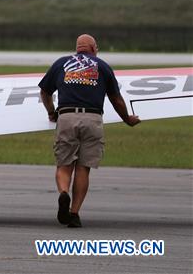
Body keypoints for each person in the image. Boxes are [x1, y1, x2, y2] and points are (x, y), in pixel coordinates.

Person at [39, 34, 140, 228]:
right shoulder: (102, 66)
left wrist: (51, 112)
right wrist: (127, 119)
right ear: (94, 48)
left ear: (77, 48)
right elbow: (116, 99)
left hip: (67, 116)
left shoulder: (61, 63)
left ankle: (63, 194)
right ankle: (74, 214)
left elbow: (45, 91)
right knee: (83, 168)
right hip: (93, 118)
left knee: (64, 164)